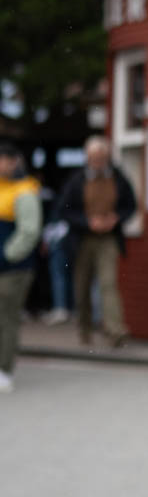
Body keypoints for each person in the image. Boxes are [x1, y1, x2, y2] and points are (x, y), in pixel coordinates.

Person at [57, 136, 136, 347]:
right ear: (88, 158)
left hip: (108, 238)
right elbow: (63, 210)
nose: (98, 162)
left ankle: (114, 330)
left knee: (108, 283)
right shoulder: (76, 179)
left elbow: (131, 205)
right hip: (82, 239)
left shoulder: (118, 178)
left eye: (102, 158)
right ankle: (85, 329)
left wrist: (117, 218)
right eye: (94, 158)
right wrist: (86, 222)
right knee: (82, 286)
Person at [0, 142, 43, 393]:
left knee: (6, 318)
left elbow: (29, 232)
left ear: (14, 162)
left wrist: (5, 257)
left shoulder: (25, 191)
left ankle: (4, 369)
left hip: (13, 268)